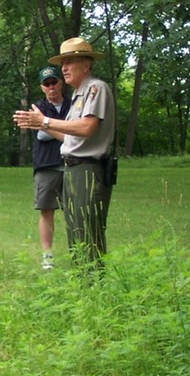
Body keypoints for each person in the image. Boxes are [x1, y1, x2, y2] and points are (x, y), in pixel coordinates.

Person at [13, 38, 115, 272]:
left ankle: (94, 286)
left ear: (86, 65)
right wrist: (40, 125)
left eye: (70, 62)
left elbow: (87, 128)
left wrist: (46, 121)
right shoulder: (79, 95)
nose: (64, 68)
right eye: (63, 63)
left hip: (88, 168)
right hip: (73, 167)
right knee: (76, 230)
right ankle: (85, 284)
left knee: (88, 231)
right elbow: (71, 138)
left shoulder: (95, 89)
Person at [31, 66, 70, 270]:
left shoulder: (73, 104)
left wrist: (47, 124)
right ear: (42, 87)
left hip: (73, 163)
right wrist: (65, 127)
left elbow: (81, 128)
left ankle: (78, 251)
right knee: (47, 210)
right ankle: (47, 256)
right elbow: (41, 135)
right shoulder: (37, 108)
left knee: (75, 210)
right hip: (47, 165)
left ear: (60, 82)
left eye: (54, 82)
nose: (51, 87)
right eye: (47, 84)